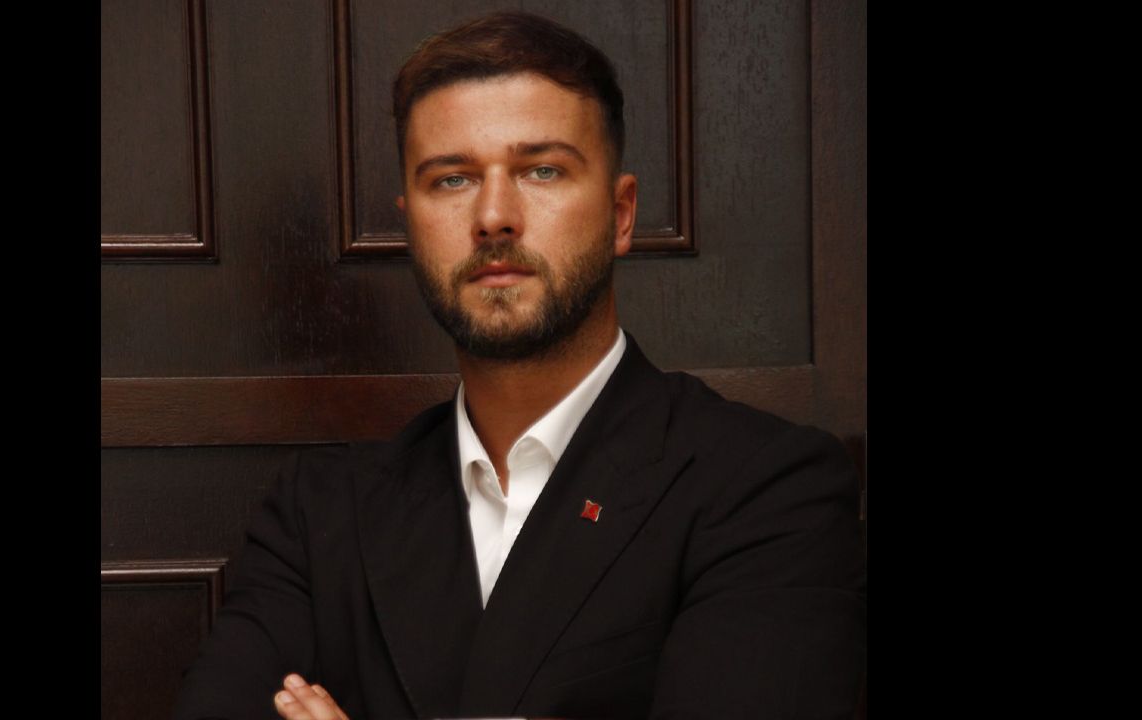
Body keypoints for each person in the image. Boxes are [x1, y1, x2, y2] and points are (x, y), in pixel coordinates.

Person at [173, 10, 865, 720]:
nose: (493, 216)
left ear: (621, 214)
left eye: (542, 170)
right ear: (410, 222)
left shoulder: (767, 487)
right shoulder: (319, 513)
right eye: (452, 179)